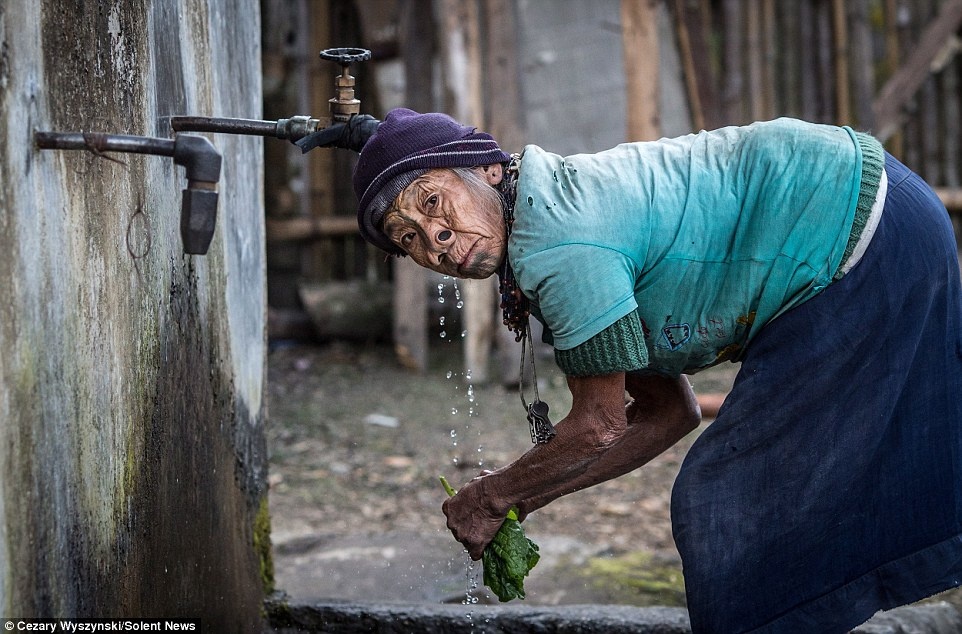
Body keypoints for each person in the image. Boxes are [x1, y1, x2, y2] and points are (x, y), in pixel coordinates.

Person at [347, 107, 962, 633]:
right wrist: (521, 501)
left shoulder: (558, 243)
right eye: (410, 239)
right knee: (757, 500)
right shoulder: (539, 221)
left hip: (860, 236)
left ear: (482, 167)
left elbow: (596, 426)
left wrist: (493, 495)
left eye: (433, 201)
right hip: (881, 218)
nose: (437, 238)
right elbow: (667, 414)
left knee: (729, 504)